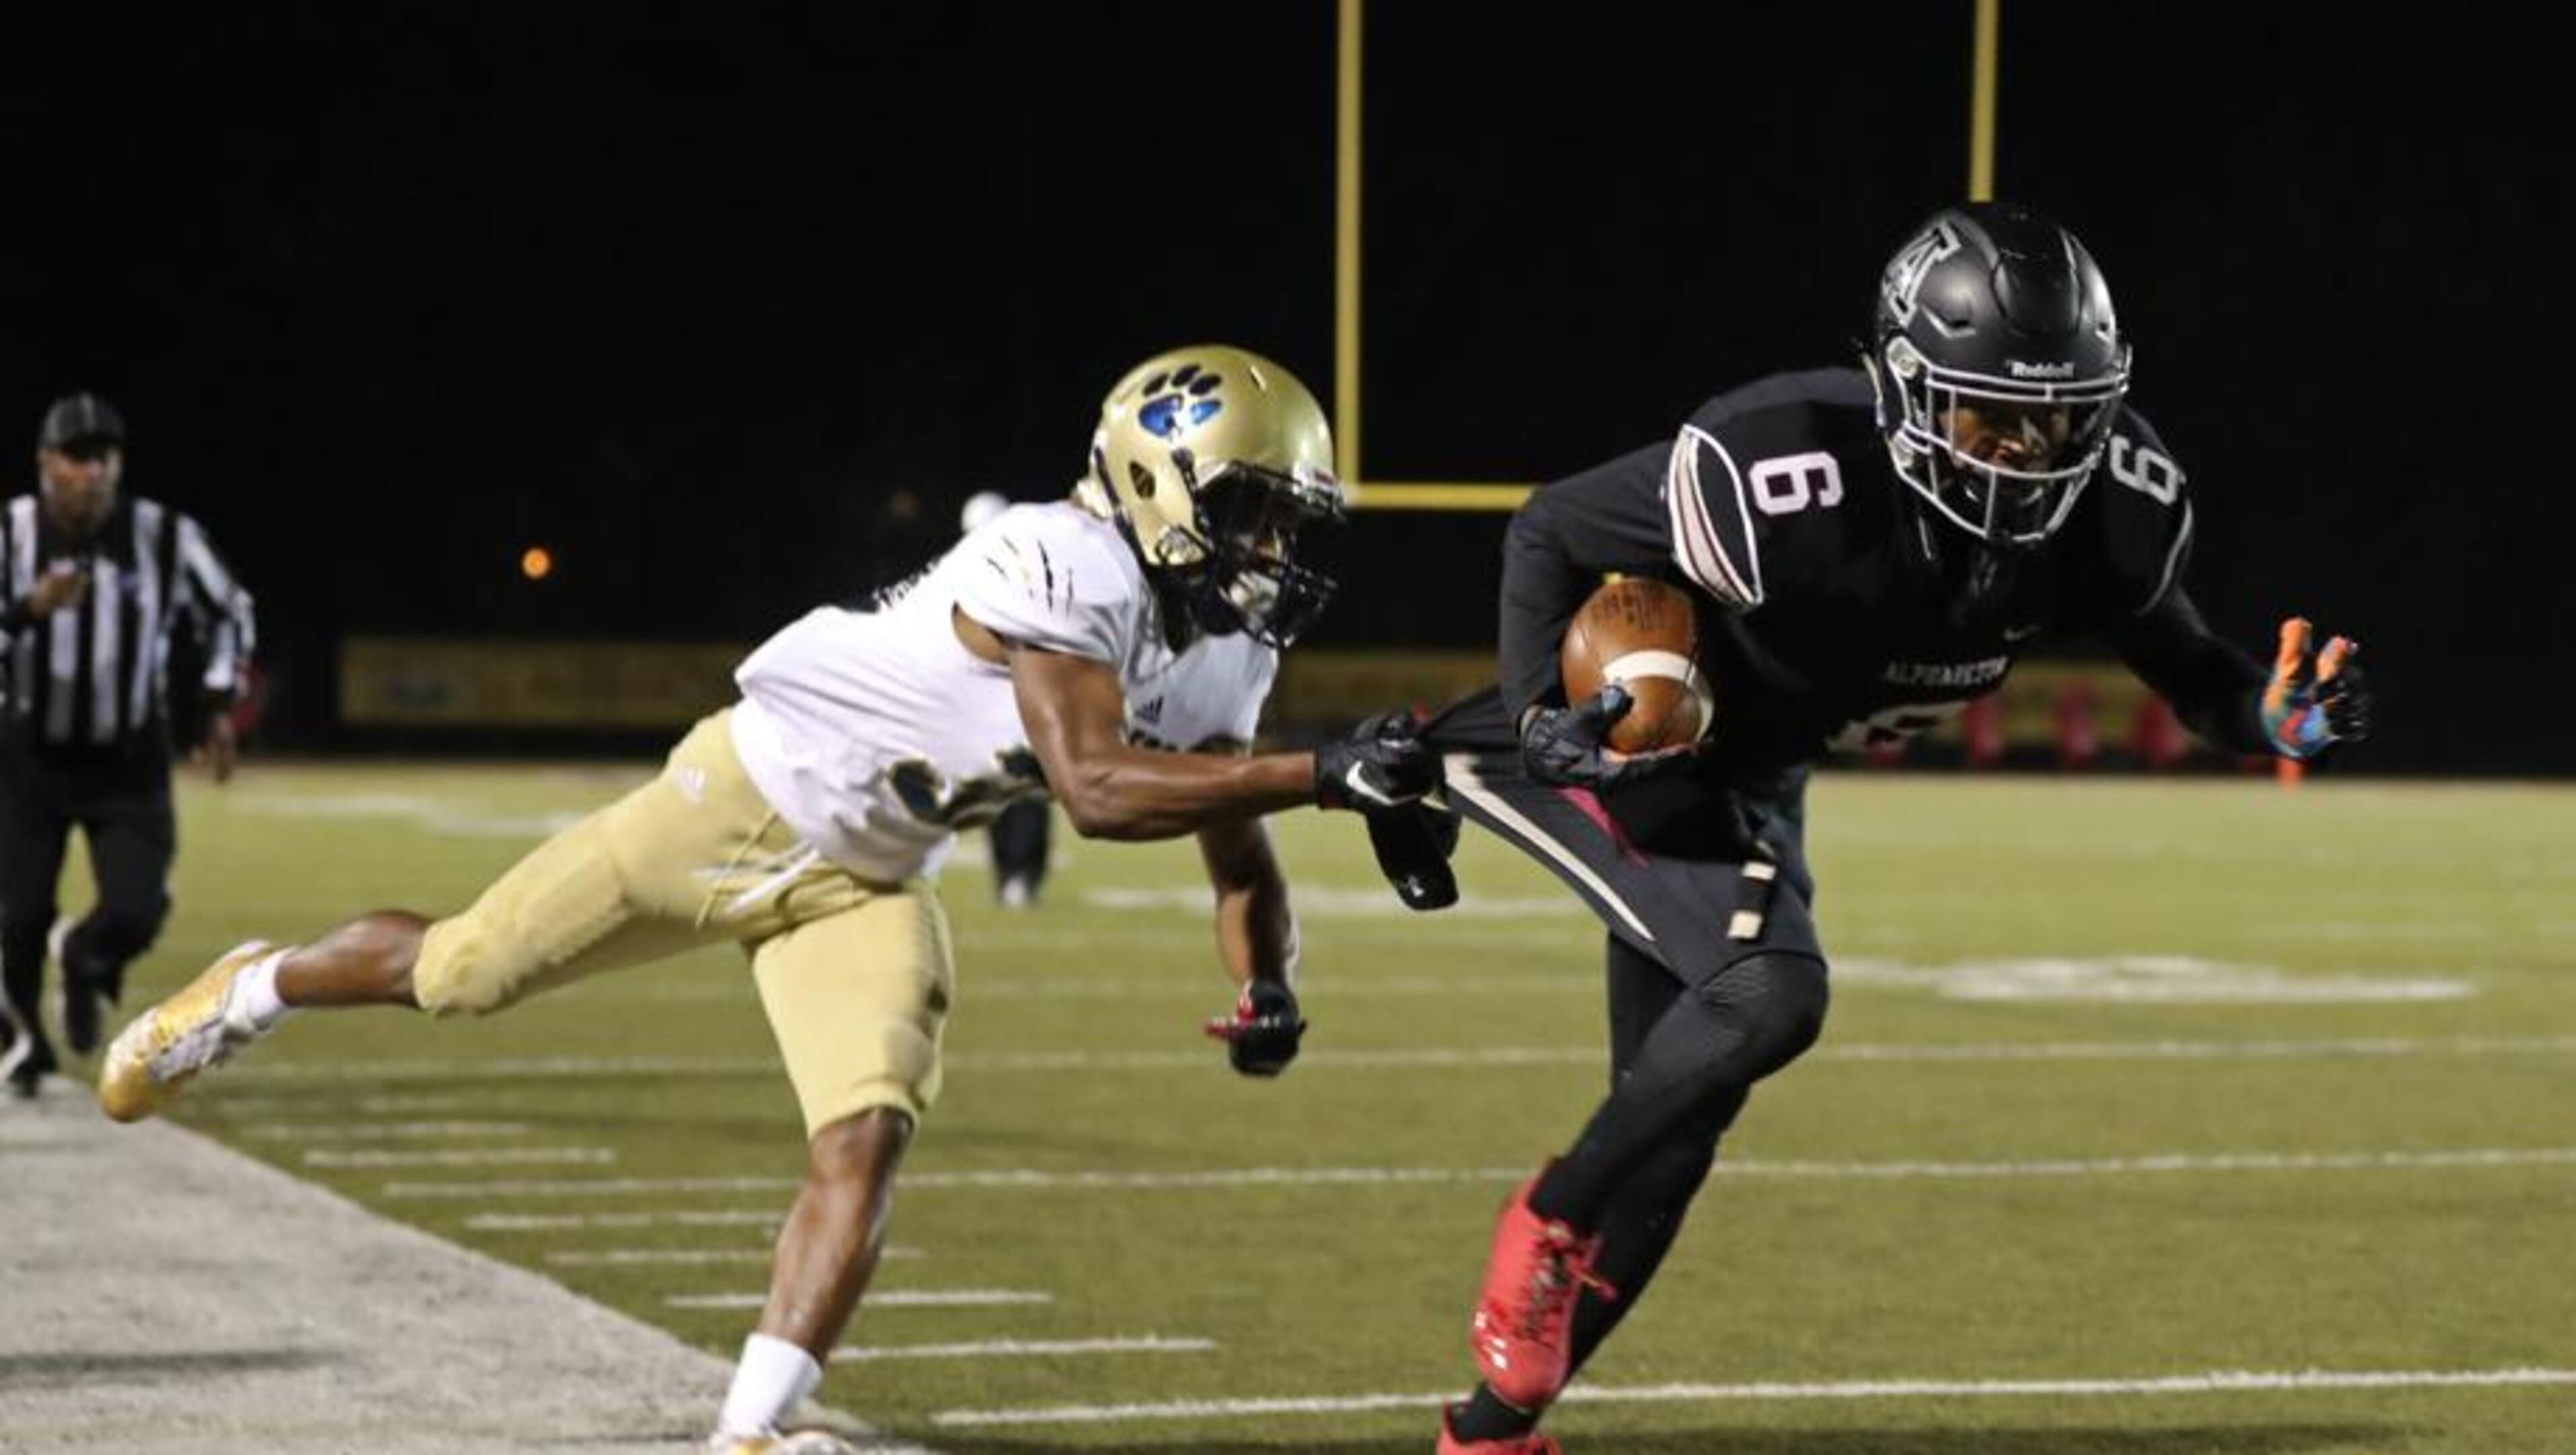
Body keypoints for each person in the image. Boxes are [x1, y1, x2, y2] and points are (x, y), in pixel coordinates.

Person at [94, 344, 1437, 1454]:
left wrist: (1266, 979)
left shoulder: (1222, 653)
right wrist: (1327, 770)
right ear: (1154, 478)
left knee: (865, 1135)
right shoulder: (1059, 560)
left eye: (1286, 517)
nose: (1271, 544)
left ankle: (752, 1430)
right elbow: (1092, 786)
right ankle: (255, 987)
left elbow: (1232, 845)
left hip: (865, 878)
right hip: (739, 801)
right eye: (1253, 506)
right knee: (459, 972)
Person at [1409, 203, 2373, 1454]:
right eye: (1992, 416)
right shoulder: (1783, 469)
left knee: (1683, 1128)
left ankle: (1491, 1433)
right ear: (1908, 389)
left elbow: (2189, 667)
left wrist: (2272, 713)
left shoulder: (2108, 511)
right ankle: (1550, 1215)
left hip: (1753, 782)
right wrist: (1545, 717)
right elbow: (1550, 529)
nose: (2029, 453)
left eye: (2062, 421)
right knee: (1773, 994)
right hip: (1627, 745)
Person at [0, 393, 254, 1100]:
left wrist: (214, 704)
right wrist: (25, 612)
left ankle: (86, 958)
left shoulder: (163, 536)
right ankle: (25, 1045)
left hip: (129, 756)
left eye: (104, 456)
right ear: (46, 464)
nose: (93, 471)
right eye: (78, 456)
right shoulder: (10, 535)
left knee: (138, 907)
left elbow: (229, 611)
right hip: (29, 757)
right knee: (17, 913)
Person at [957, 488, 1055, 908]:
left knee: (1028, 788)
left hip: (1024, 695)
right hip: (990, 699)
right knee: (997, 789)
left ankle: (1022, 875)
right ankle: (1009, 874)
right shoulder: (962, 578)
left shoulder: (1028, 578)